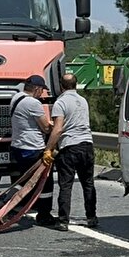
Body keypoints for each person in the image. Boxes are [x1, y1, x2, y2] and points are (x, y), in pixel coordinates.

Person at [43, 73, 97, 228]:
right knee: (88, 183)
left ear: (61, 86)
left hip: (70, 146)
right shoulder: (83, 101)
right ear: (76, 84)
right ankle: (91, 217)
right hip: (87, 145)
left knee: (66, 185)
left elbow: (58, 129)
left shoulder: (60, 103)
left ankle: (63, 220)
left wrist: (49, 149)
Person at [9, 75, 59, 229]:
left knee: (24, 179)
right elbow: (44, 127)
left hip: (18, 145)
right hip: (33, 147)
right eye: (42, 90)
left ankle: (4, 205)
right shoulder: (33, 103)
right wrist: (57, 129)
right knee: (46, 182)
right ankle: (44, 215)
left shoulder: (16, 98)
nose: (42, 94)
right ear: (36, 89)